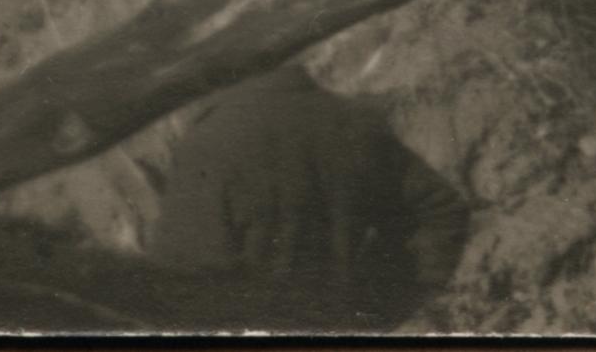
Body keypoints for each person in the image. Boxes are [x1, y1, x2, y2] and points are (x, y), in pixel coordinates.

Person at [147, 62, 469, 332]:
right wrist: (388, 301)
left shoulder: (210, 144)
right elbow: (441, 209)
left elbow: (180, 281)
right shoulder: (350, 119)